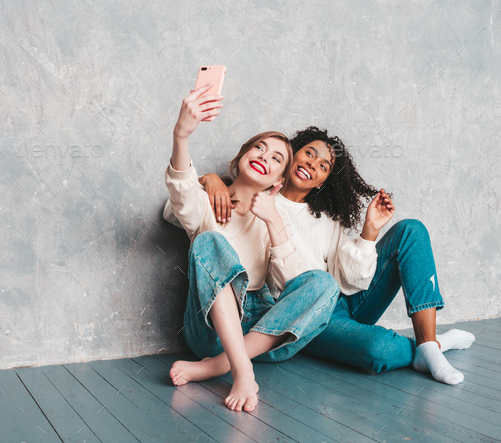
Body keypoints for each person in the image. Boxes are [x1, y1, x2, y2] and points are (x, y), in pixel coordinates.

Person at [196, 126, 475, 385]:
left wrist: (369, 232)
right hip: (306, 314)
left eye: (323, 166)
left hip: (341, 300)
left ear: (324, 181)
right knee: (381, 351)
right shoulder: (259, 197)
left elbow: (352, 283)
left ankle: (427, 344)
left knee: (411, 230)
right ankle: (434, 346)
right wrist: (210, 179)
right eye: (309, 154)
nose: (312, 165)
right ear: (292, 154)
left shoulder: (328, 219)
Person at [165, 86, 339, 412]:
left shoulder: (275, 215)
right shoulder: (204, 202)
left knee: (325, 283)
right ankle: (242, 370)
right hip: (209, 329)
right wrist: (181, 136)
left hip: (264, 335)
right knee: (208, 240)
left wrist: (274, 223)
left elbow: (294, 285)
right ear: (242, 156)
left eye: (276, 158)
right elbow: (182, 193)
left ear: (278, 182)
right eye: (259, 148)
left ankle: (216, 366)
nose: (264, 156)